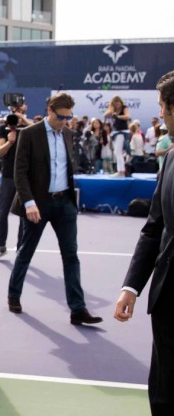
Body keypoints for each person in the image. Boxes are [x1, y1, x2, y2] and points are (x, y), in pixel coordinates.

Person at [7, 92, 102, 325]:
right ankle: (14, 295)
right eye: (61, 117)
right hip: (37, 204)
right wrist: (29, 203)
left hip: (65, 204)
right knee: (25, 252)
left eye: (68, 118)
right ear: (50, 111)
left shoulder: (68, 134)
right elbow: (19, 172)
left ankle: (78, 309)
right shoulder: (29, 134)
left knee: (71, 256)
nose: (64, 122)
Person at [115, 70, 174, 416]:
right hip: (168, 302)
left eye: (163, 107)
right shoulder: (169, 161)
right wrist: (131, 287)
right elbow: (154, 228)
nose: (161, 115)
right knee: (164, 393)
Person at [0, 102, 31, 261]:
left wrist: (24, 121)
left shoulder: (29, 128)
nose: (17, 113)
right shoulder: (3, 129)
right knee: (3, 213)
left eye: (20, 110)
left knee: (23, 216)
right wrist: (10, 141)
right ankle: (1, 246)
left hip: (25, 177)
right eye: (15, 111)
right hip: (7, 177)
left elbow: (40, 130)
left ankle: (21, 248)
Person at [105, 95, 131, 177]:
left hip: (122, 131)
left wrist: (118, 116)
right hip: (115, 132)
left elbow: (127, 116)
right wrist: (111, 111)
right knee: (117, 152)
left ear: (120, 102)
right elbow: (105, 115)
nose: (117, 104)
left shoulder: (124, 108)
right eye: (115, 103)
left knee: (118, 151)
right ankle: (120, 171)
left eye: (118, 102)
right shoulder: (113, 110)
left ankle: (121, 172)